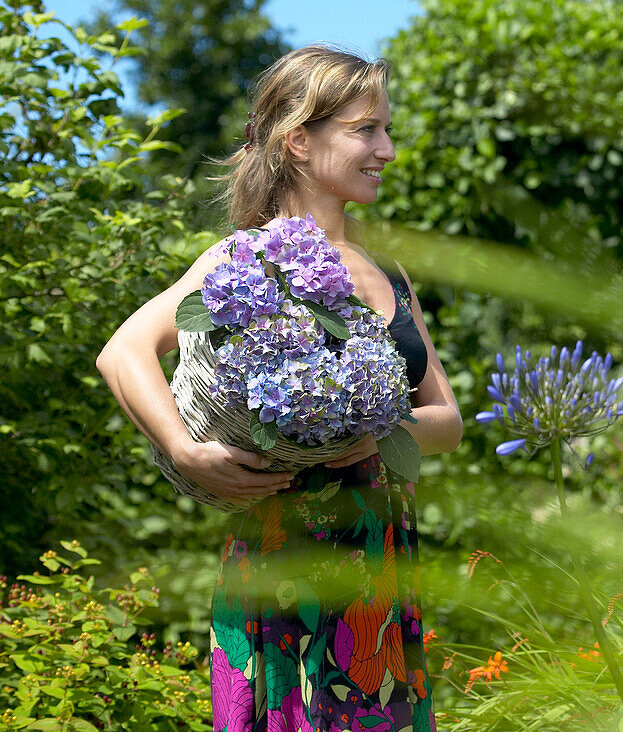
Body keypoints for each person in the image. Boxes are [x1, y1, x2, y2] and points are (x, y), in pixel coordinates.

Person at [96, 45, 462, 731]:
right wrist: (182, 448)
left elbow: (445, 419)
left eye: (387, 129)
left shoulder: (390, 275)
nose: (386, 148)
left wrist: (360, 434)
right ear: (299, 139)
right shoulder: (246, 260)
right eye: (366, 129)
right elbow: (124, 351)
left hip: (378, 563)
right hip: (281, 557)